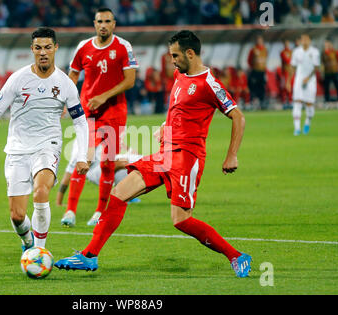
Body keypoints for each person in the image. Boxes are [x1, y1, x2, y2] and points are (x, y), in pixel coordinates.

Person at [55, 30, 252, 278]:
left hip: (186, 158)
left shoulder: (209, 83)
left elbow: (238, 117)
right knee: (118, 195)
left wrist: (231, 155)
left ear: (190, 53)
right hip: (164, 155)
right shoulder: (181, 75)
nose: (172, 60)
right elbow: (178, 109)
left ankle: (236, 256)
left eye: (175, 55)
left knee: (181, 220)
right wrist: (164, 126)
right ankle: (89, 256)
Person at [0, 27, 89, 252]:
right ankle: (27, 241)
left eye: (48, 47)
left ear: (55, 49)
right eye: (38, 48)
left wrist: (81, 156)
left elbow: (79, 121)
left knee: (41, 192)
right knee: (17, 215)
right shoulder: (18, 79)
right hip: (18, 150)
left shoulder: (66, 83)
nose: (43, 52)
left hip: (47, 146)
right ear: (32, 49)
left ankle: (39, 251)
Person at [60, 7, 138, 227]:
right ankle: (70, 212)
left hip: (114, 113)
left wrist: (104, 96)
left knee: (107, 163)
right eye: (99, 21)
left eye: (107, 21)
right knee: (81, 159)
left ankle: (99, 211)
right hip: (88, 112)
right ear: (94, 24)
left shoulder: (123, 46)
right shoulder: (83, 47)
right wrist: (67, 100)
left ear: (114, 24)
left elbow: (130, 80)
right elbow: (73, 74)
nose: (103, 25)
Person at [56, 143, 143, 225]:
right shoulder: (81, 143)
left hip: (106, 168)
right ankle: (78, 212)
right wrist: (59, 201)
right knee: (121, 162)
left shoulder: (105, 134)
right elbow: (69, 174)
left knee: (132, 160)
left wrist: (129, 150)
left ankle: (125, 195)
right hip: (94, 172)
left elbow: (120, 146)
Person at [291, 34, 320, 136]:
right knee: (297, 102)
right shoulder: (296, 52)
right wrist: (288, 80)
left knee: (309, 105)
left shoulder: (314, 52)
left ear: (309, 41)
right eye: (302, 39)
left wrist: (308, 77)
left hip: (310, 81)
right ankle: (297, 128)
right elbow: (293, 66)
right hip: (299, 80)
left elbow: (316, 67)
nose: (304, 41)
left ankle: (307, 122)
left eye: (306, 39)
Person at [247, 35, 268, 110]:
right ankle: (253, 102)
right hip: (255, 71)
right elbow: (249, 60)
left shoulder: (265, 49)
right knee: (254, 87)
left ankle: (262, 103)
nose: (259, 42)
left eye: (261, 40)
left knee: (262, 87)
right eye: (258, 40)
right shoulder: (253, 49)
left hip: (262, 72)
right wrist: (252, 67)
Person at [322, 38, 338, 108]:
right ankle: (327, 102)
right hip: (327, 73)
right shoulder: (323, 53)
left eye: (328, 44)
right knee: (326, 88)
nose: (327, 45)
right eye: (326, 44)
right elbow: (322, 62)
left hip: (335, 72)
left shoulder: (336, 52)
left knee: (337, 87)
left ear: (331, 44)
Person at [279, 39, 293, 110]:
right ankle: (284, 102)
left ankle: (290, 102)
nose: (287, 45)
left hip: (291, 72)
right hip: (285, 72)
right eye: (286, 43)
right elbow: (288, 60)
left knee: (291, 87)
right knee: (285, 87)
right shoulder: (282, 52)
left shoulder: (291, 52)